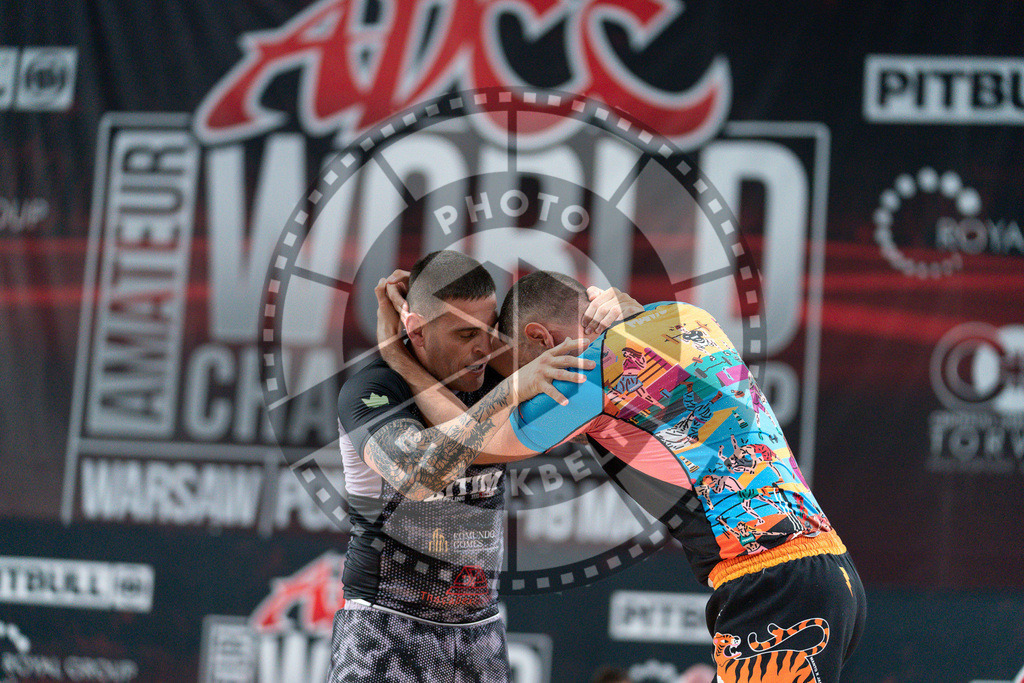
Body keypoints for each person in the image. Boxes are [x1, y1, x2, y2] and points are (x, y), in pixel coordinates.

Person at [378, 270, 867, 683]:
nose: (528, 389)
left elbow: (466, 444)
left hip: (772, 587)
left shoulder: (589, 374)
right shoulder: (690, 319)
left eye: (524, 373)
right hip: (828, 574)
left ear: (541, 340)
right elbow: (643, 340)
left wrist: (399, 358)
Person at [329, 252, 631, 682]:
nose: (484, 348)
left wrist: (624, 313)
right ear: (416, 329)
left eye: (489, 330)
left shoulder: (493, 375)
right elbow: (418, 474)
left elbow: (612, 374)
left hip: (480, 631)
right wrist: (506, 393)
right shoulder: (374, 389)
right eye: (465, 333)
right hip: (386, 624)